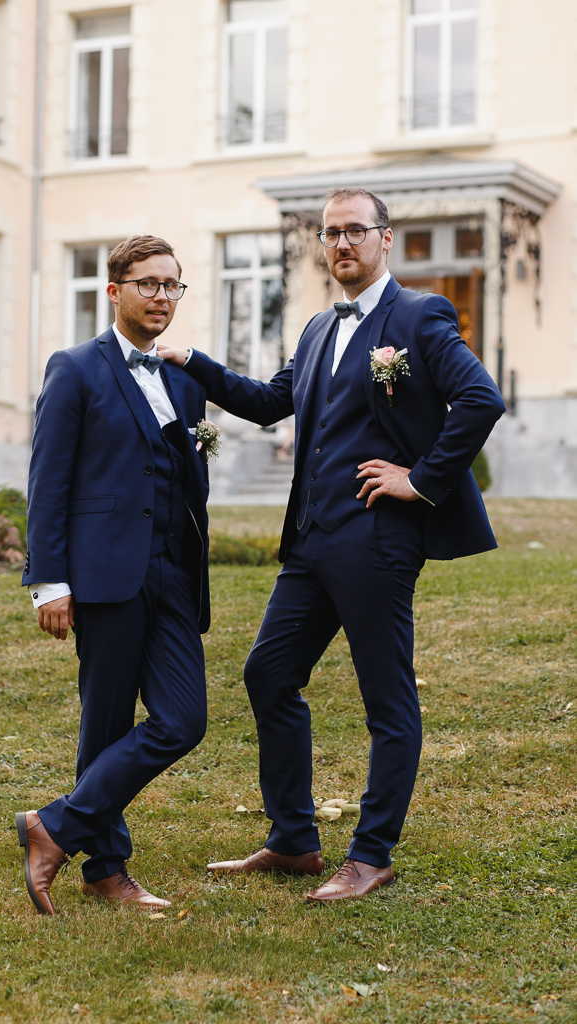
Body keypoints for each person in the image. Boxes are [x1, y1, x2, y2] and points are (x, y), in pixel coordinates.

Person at [158, 187, 505, 903]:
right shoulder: (317, 328)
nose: (341, 243)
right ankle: (292, 841)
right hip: (311, 541)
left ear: (384, 239)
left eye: (354, 231)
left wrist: (423, 479)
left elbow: (479, 398)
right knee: (267, 674)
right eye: (330, 233)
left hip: (377, 538)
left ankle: (370, 854)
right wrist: (190, 359)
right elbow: (265, 402)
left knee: (387, 699)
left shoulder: (417, 315)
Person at [17, 235, 210, 915]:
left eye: (172, 286)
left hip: (172, 576)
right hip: (102, 575)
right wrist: (49, 581)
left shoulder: (183, 380)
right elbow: (48, 481)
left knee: (185, 719)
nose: (162, 297)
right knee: (104, 724)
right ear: (114, 292)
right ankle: (105, 868)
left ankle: (54, 826)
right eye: (149, 284)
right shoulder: (74, 369)